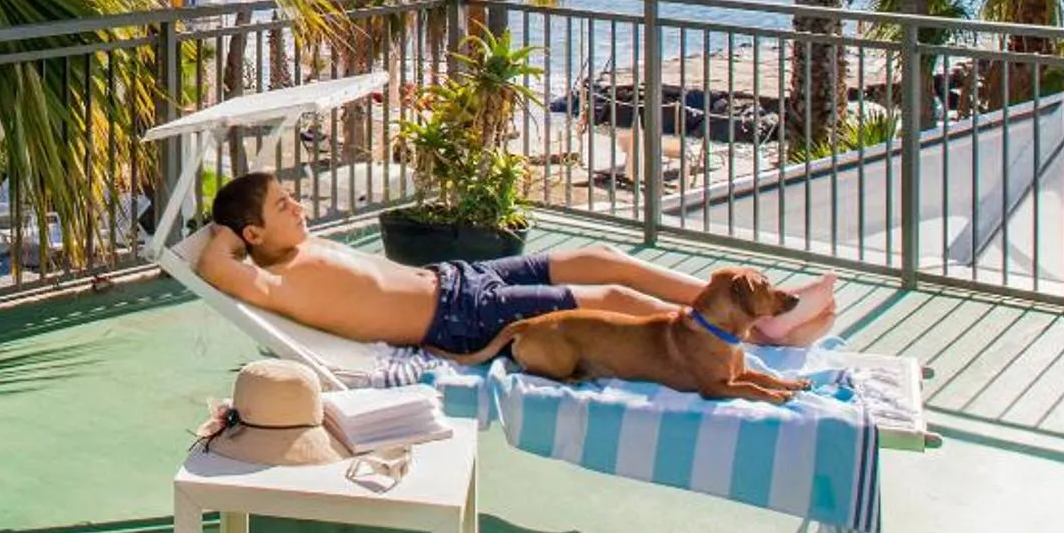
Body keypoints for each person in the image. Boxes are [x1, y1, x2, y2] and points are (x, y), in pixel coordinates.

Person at [196, 170, 838, 360]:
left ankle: (756, 310)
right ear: (252, 231)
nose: (299, 206)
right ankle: (753, 335)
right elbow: (216, 264)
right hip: (457, 318)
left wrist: (248, 228)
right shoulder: (268, 278)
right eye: (284, 206)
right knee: (612, 297)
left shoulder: (297, 250)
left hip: (459, 279)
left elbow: (234, 249)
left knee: (600, 258)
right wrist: (223, 231)